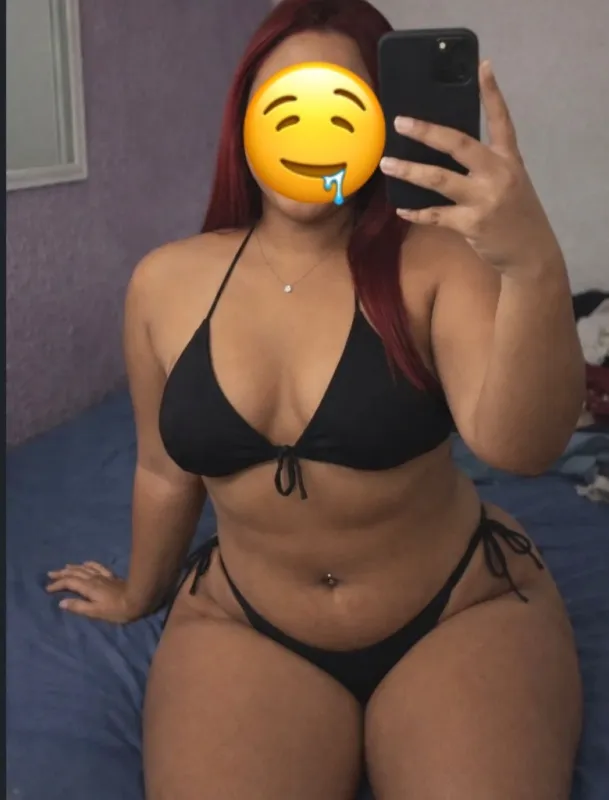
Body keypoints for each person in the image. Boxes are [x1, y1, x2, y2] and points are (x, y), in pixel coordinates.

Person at [46, 1, 585, 797]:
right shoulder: (164, 282)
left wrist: (531, 262)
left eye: (341, 105)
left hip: (456, 609)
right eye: (286, 103)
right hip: (247, 623)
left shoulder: (437, 260)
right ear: (245, 119)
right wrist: (138, 592)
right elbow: (163, 471)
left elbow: (522, 448)